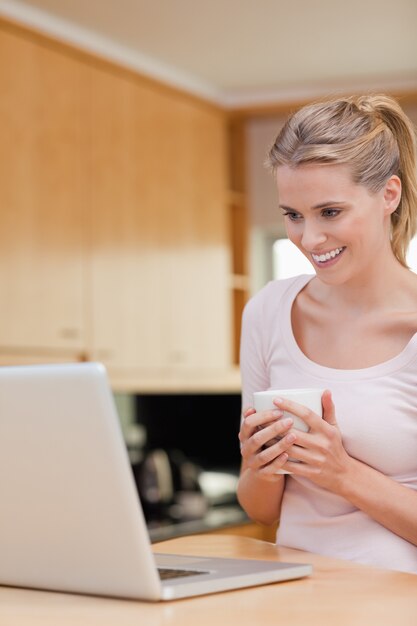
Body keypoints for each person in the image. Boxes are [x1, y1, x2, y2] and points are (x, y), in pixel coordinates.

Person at [237, 94, 417, 574]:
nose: (309, 240)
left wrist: (342, 474)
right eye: (293, 215)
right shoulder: (267, 313)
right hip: (292, 595)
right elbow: (261, 510)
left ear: (389, 195)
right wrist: (260, 464)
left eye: (330, 212)